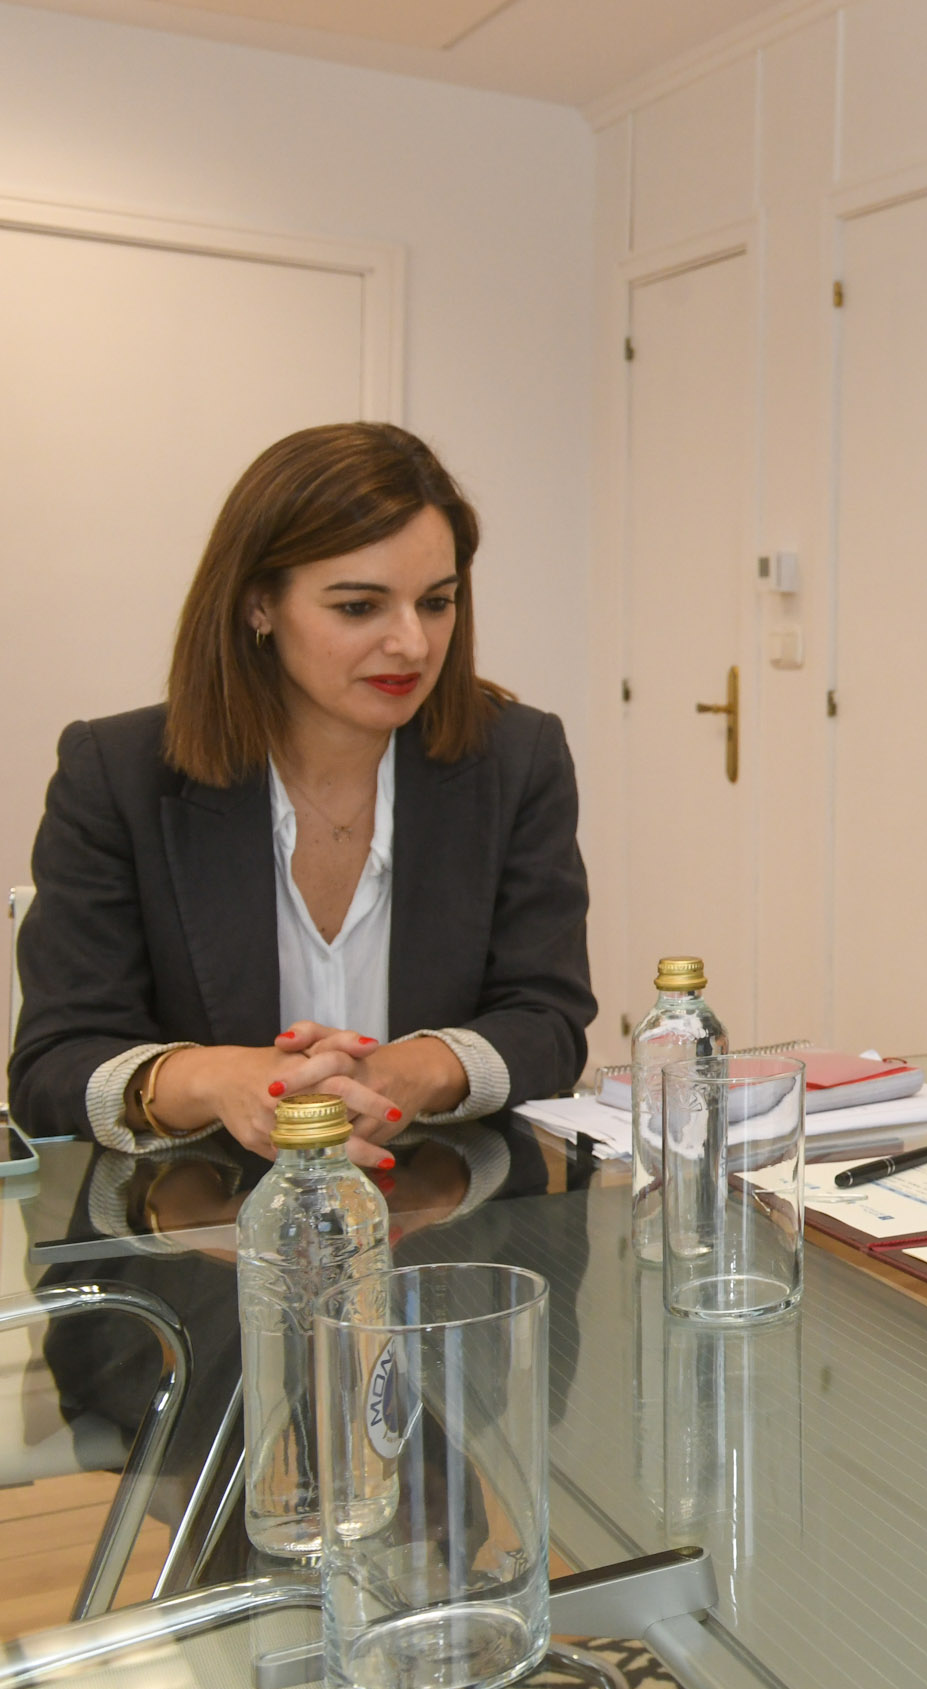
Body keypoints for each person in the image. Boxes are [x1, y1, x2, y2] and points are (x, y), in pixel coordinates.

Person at [10, 423, 594, 1165]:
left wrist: (409, 1073)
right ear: (259, 604)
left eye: (436, 602)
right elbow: (54, 1067)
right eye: (359, 607)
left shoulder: (517, 757)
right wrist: (217, 1080)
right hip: (199, 1216)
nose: (412, 644)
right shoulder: (118, 772)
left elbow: (548, 1021)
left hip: (442, 1209)